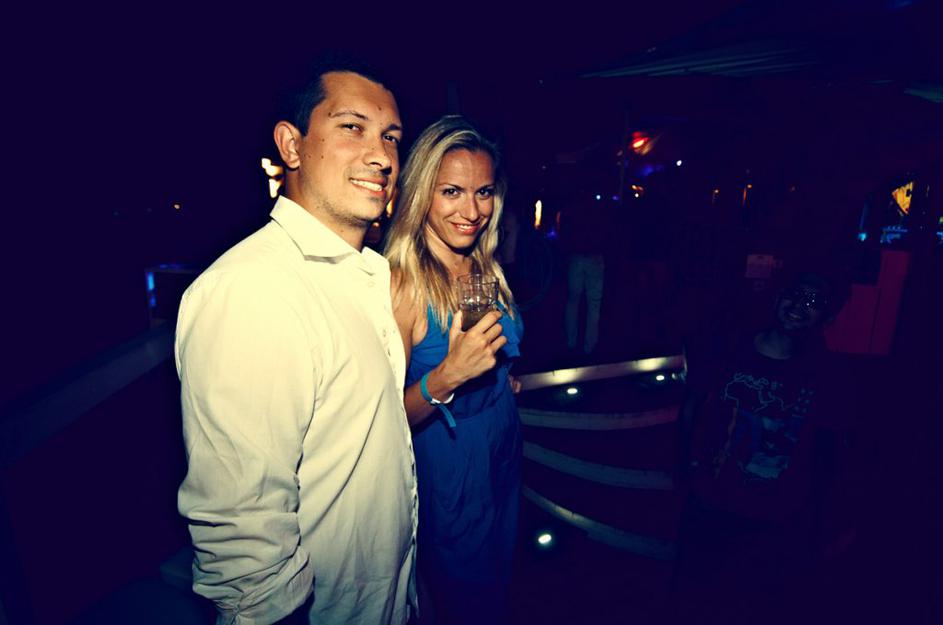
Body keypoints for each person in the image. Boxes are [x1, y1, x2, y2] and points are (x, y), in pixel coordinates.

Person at [175, 56, 417, 625]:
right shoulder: (254, 288)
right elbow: (244, 537)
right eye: (352, 127)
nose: (382, 156)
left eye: (390, 137)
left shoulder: (365, 275)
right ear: (291, 146)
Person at [384, 115, 523, 625]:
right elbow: (379, 422)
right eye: (452, 192)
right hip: (448, 454)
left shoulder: (485, 266)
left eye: (483, 192)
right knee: (463, 595)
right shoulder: (401, 284)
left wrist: (501, 378)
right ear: (422, 194)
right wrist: (449, 375)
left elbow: (498, 349)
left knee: (499, 573)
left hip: (502, 436)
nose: (472, 211)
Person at [671, 270, 856, 624]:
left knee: (746, 604)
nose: (800, 305)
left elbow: (827, 448)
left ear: (828, 317)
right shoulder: (727, 348)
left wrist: (810, 514)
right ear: (777, 296)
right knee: (692, 598)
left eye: (814, 301)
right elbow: (691, 408)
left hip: (771, 518)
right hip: (708, 503)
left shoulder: (827, 376)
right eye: (795, 293)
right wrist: (688, 467)